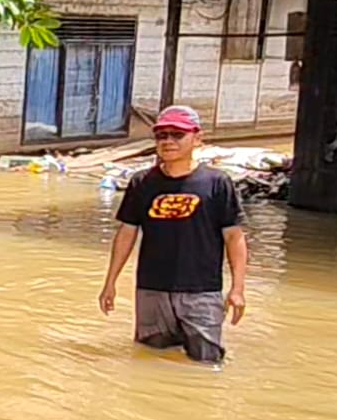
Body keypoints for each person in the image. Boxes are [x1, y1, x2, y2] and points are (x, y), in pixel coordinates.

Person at [99, 105, 249, 363]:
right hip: (151, 289)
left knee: (206, 362)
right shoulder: (142, 182)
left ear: (197, 138)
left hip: (201, 292)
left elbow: (234, 237)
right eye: (162, 135)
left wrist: (237, 289)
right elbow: (126, 233)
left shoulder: (217, 183)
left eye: (177, 135)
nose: (168, 141)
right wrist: (110, 283)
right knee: (150, 358)